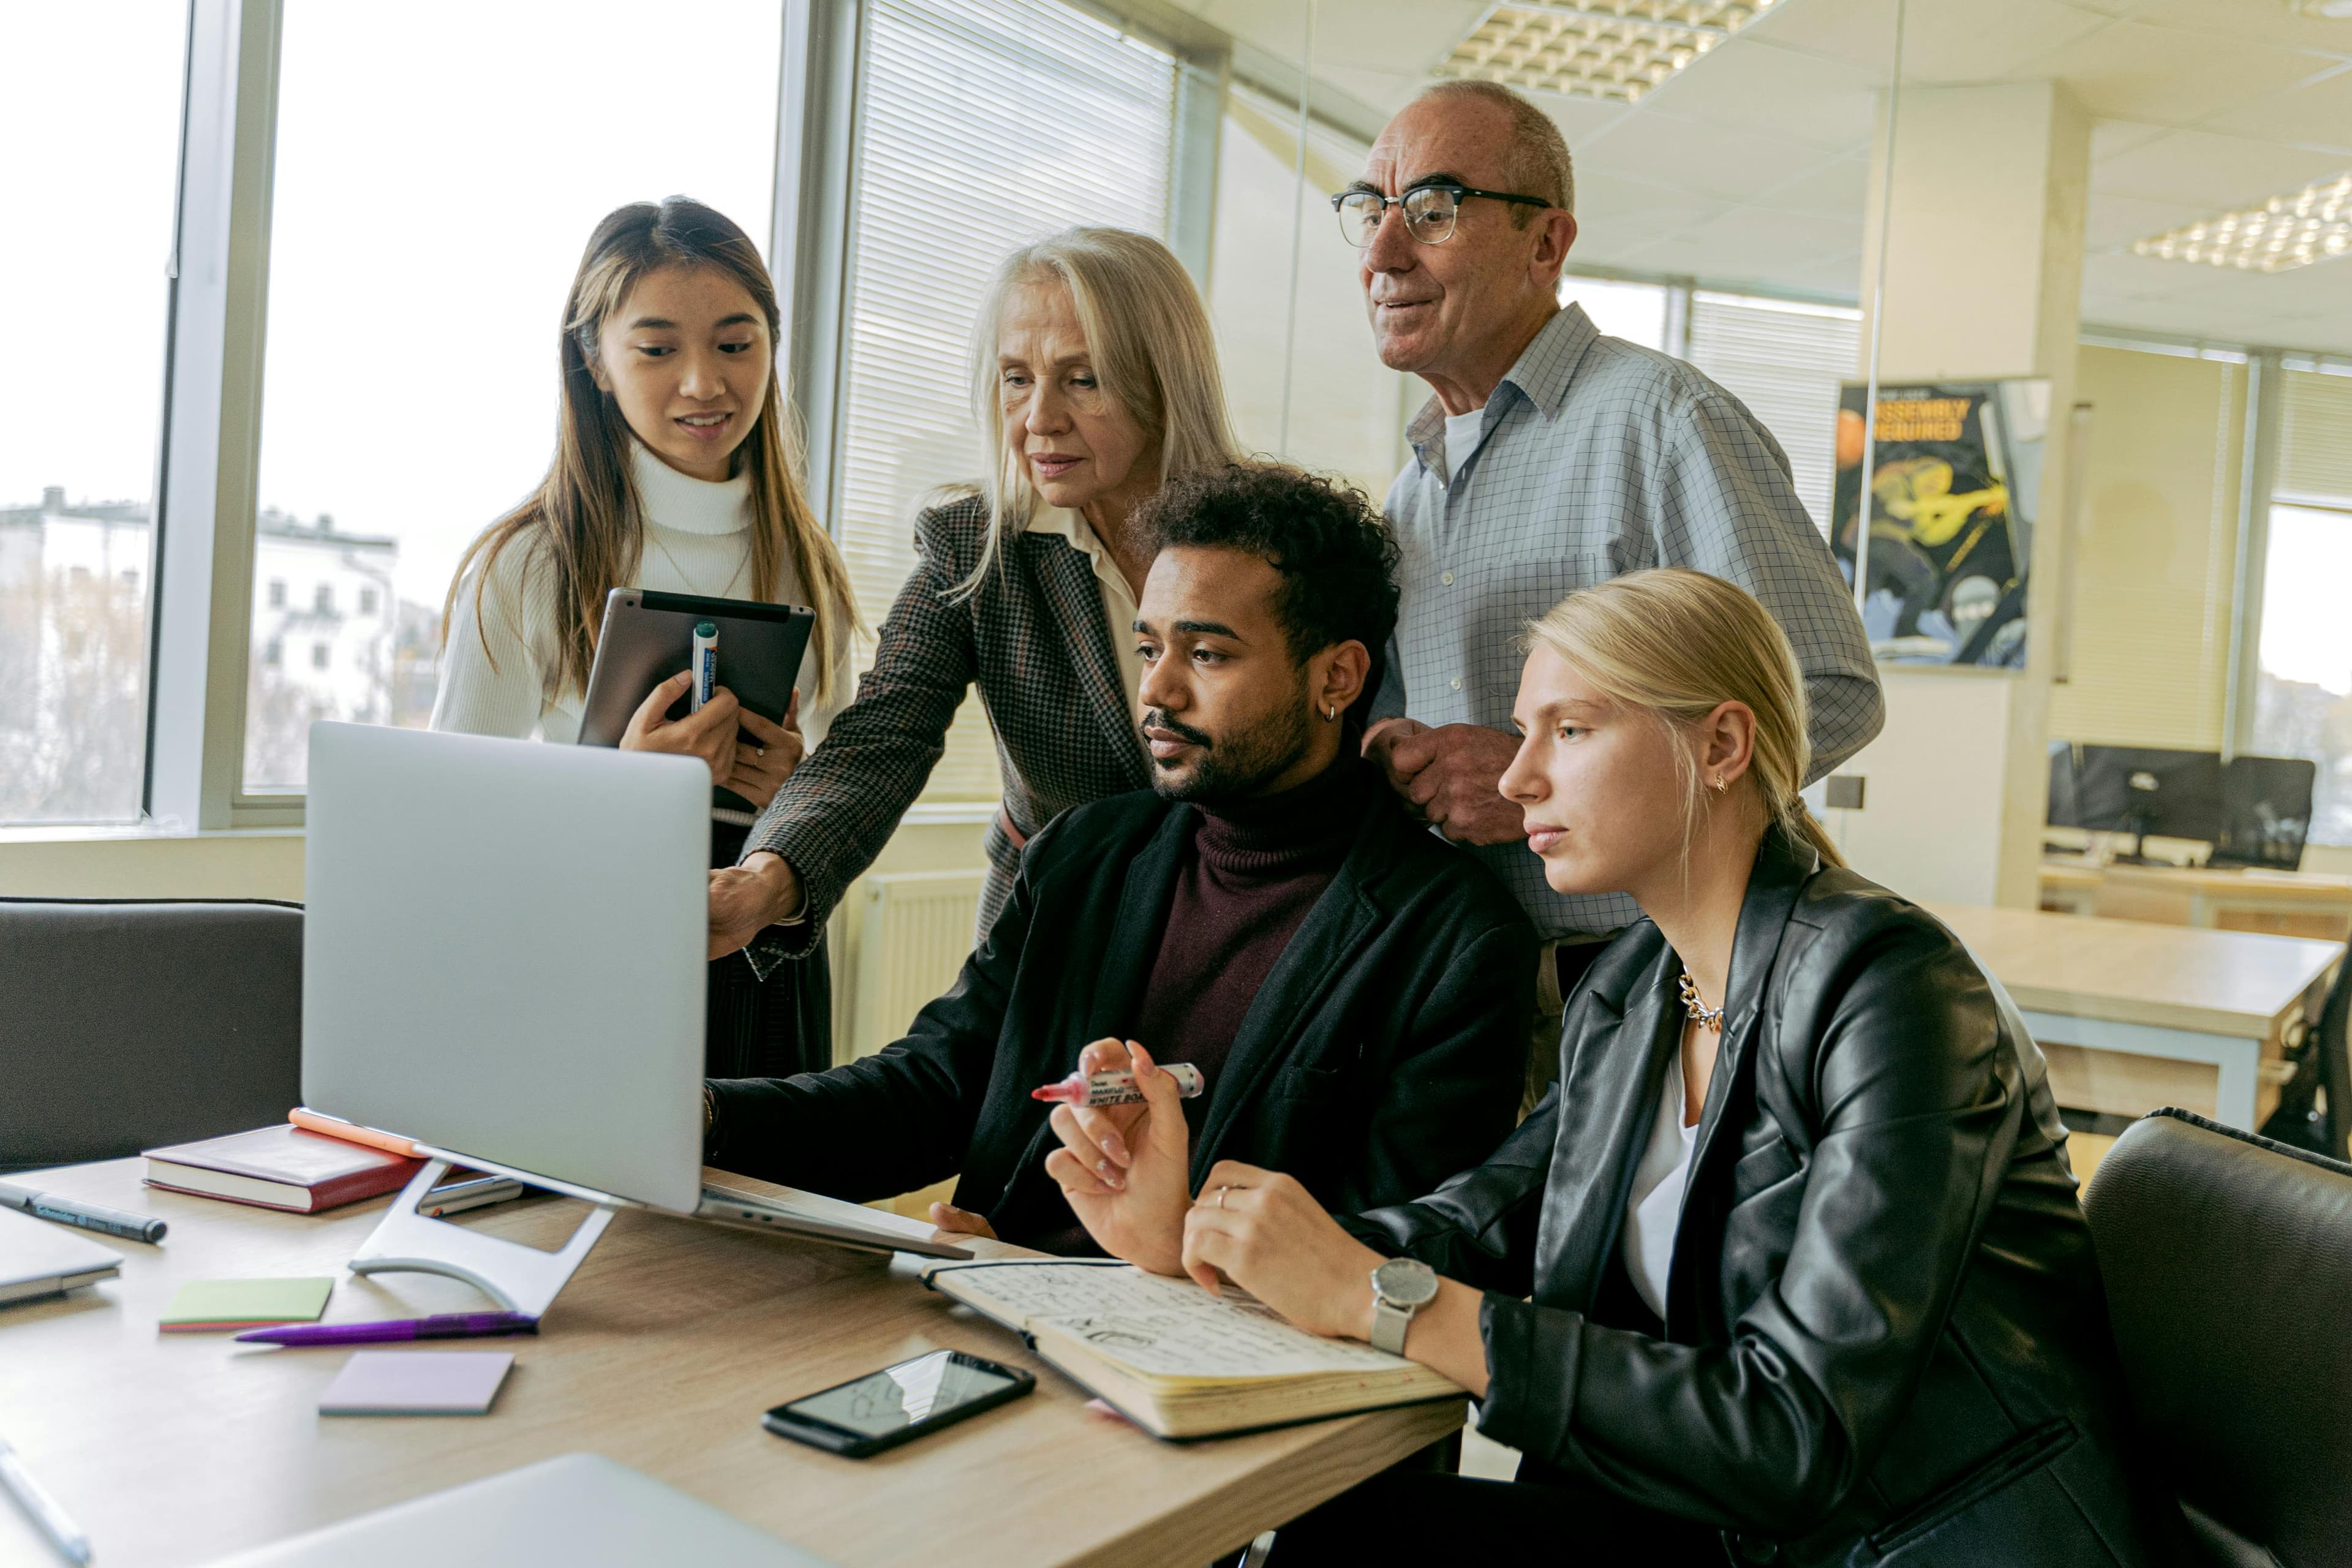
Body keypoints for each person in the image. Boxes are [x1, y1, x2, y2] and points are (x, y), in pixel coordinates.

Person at [1050, 568, 2175, 1566]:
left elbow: (1796, 1436)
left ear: (1722, 747)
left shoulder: (1890, 992)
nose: (1521, 779)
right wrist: (1201, 1238)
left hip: (1906, 1539)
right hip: (1710, 1528)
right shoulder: (1637, 986)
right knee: (1344, 1525)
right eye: (1523, 733)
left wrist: (1377, 1302)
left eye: (1571, 732)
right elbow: (1479, 1223)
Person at [703, 463, 1534, 1250]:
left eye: (1206, 654)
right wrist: (701, 1119)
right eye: (1148, 648)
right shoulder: (1084, 855)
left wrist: (1093, 1274)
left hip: (1207, 1369)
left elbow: (1382, 1248)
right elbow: (937, 1089)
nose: (1158, 691)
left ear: (1339, 678)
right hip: (990, 1308)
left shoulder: (1456, 942)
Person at [1336, 80, 1884, 1072]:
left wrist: (1550, 790)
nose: (1382, 251)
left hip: (1674, 1002)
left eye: (1432, 209)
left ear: (1546, 242)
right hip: (1480, 1012)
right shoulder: (1411, 497)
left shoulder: (1664, 423)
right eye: (1371, 211)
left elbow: (1829, 694)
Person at [704, 227, 1244, 973]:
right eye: (1016, 378)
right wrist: (764, 880)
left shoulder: (1264, 541)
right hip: (1053, 935)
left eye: (1082, 379)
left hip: (1243, 938)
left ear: (1164, 379)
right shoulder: (977, 546)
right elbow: (884, 732)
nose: (1038, 419)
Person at [432, 197, 859, 1079]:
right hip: (587, 948)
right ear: (594, 359)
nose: (704, 383)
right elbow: (452, 837)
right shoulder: (528, 563)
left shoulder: (807, 563)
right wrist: (625, 790)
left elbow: (847, 793)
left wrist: (795, 794)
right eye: (658, 350)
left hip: (765, 961)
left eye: (736, 345)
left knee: (764, 1211)